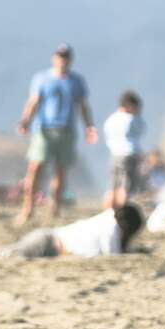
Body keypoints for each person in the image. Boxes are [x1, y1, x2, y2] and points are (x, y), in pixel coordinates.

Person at [15, 43, 97, 224]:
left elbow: (83, 105)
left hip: (67, 130)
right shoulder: (42, 78)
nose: (63, 60)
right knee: (35, 168)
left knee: (60, 171)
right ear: (54, 58)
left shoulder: (76, 81)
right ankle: (28, 208)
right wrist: (25, 121)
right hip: (44, 129)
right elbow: (33, 102)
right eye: (60, 56)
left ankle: (55, 207)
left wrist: (89, 126)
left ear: (71, 60)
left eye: (66, 57)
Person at [0, 203, 145, 259]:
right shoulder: (111, 231)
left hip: (47, 239)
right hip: (46, 242)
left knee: (5, 252)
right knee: (2, 253)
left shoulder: (107, 218)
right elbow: (114, 255)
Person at [102, 91, 146, 209]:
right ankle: (122, 211)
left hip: (114, 154)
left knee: (112, 186)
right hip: (129, 155)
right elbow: (140, 131)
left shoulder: (110, 120)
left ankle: (109, 212)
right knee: (126, 186)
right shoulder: (132, 119)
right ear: (130, 105)